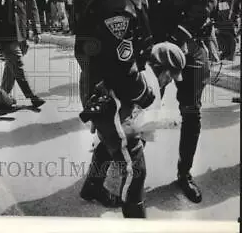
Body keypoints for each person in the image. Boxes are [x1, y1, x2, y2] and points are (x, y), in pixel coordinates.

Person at [75, 0, 166, 218]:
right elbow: (121, 70)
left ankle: (92, 186)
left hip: (108, 85)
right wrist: (145, 94)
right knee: (134, 166)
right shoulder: (116, 1)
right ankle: (135, 214)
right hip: (111, 92)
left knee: (109, 142)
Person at [143, 0, 219, 203]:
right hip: (159, 51)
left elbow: (206, 4)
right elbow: (145, 2)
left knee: (192, 112)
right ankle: (131, 169)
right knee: (145, 108)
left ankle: (184, 173)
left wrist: (179, 39)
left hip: (190, 47)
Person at [79, 42, 186, 211]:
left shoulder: (141, 68)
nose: (170, 81)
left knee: (108, 144)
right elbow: (138, 126)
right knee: (136, 171)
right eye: (170, 76)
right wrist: (166, 121)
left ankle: (92, 187)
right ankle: (132, 211)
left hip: (100, 106)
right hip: (113, 115)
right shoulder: (150, 84)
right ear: (162, 68)